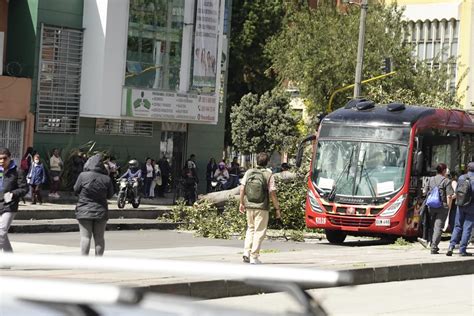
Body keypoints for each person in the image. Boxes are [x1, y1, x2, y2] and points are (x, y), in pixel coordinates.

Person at [239, 152, 281, 264]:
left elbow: (242, 189)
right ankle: (254, 256)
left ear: (256, 161)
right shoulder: (268, 175)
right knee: (259, 231)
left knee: (250, 229)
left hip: (249, 205)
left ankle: (246, 253)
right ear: (267, 162)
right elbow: (272, 193)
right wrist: (277, 208)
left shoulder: (249, 172)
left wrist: (241, 203)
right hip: (262, 207)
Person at [74, 154, 114, 256]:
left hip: (84, 210)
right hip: (101, 211)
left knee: (85, 237)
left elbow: (76, 189)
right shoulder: (106, 179)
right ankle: (99, 261)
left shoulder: (83, 175)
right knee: (99, 238)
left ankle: (84, 261)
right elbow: (110, 195)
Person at [420, 163, 454, 254]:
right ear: (443, 171)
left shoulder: (430, 179)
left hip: (431, 206)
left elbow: (424, 192)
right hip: (442, 206)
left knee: (431, 226)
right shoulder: (446, 181)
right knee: (438, 226)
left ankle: (431, 243)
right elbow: (449, 196)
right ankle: (434, 247)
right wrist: (448, 207)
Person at [0, 147, 28, 253]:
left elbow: (25, 188)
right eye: (0, 159)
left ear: (9, 158)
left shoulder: (17, 171)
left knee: (1, 233)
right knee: (2, 234)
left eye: (4, 158)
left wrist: (12, 194)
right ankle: (9, 258)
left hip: (9, 206)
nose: (2, 161)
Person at [446, 162, 474, 256]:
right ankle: (462, 250)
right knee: (467, 228)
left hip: (460, 204)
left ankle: (451, 246)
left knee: (457, 226)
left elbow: (457, 190)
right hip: (471, 206)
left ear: (467, 168)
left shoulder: (461, 177)